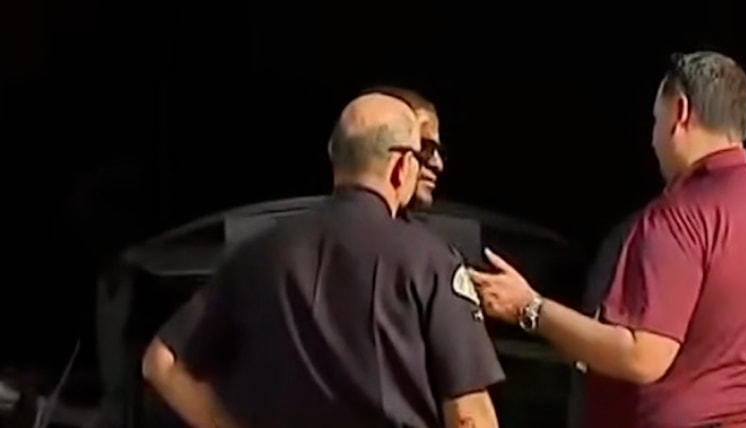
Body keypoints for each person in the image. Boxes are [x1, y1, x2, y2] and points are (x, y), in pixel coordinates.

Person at [144, 93, 504, 427]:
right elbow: (468, 416)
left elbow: (161, 362)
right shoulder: (432, 262)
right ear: (400, 166)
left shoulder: (255, 254)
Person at [469, 51, 746, 427]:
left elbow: (643, 355)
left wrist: (530, 308)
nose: (653, 140)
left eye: (656, 120)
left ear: (680, 113)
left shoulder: (679, 215)